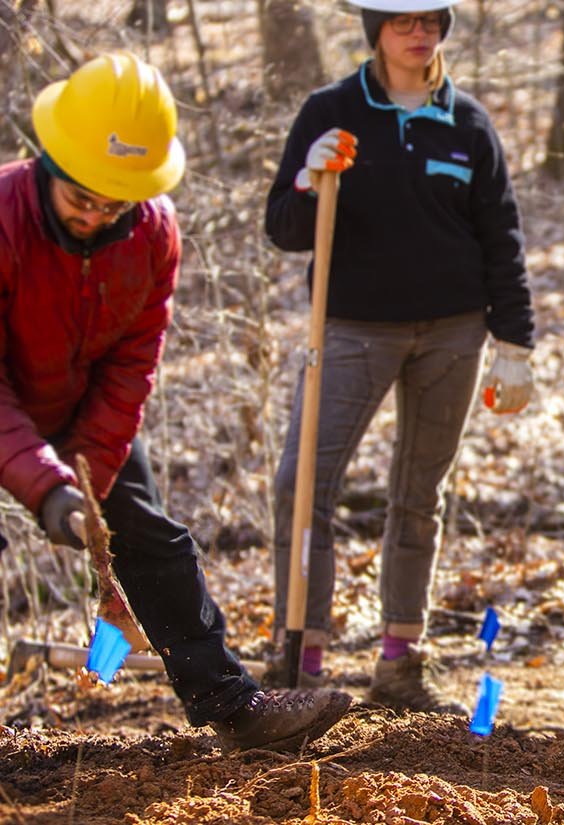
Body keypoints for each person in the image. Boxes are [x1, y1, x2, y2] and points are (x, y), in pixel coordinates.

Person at [0, 52, 351, 751]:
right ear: (49, 161)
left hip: (78, 404)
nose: (98, 216)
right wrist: (46, 488)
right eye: (81, 198)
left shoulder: (155, 233)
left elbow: (132, 365)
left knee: (154, 539)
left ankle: (235, 706)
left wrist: (88, 488)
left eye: (114, 201)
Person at [264, 0, 534, 712]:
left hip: (452, 332)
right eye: (403, 23)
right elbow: (285, 231)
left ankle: (399, 661)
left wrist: (515, 342)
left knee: (419, 495)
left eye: (431, 22)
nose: (420, 35)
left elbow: (499, 234)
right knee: (302, 486)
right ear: (374, 31)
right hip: (351, 328)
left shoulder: (468, 120)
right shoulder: (330, 109)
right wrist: (307, 178)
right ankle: (302, 658)